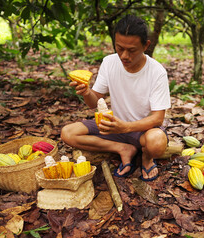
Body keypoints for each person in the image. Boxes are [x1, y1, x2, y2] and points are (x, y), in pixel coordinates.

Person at [61, 15, 171, 182]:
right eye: (119, 48)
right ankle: (123, 148)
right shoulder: (109, 62)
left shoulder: (157, 72)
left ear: (146, 45)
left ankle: (147, 158)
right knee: (68, 133)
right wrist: (86, 92)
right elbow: (93, 102)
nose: (124, 56)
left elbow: (158, 118)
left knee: (156, 142)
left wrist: (125, 127)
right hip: (114, 127)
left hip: (141, 130)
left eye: (131, 50)